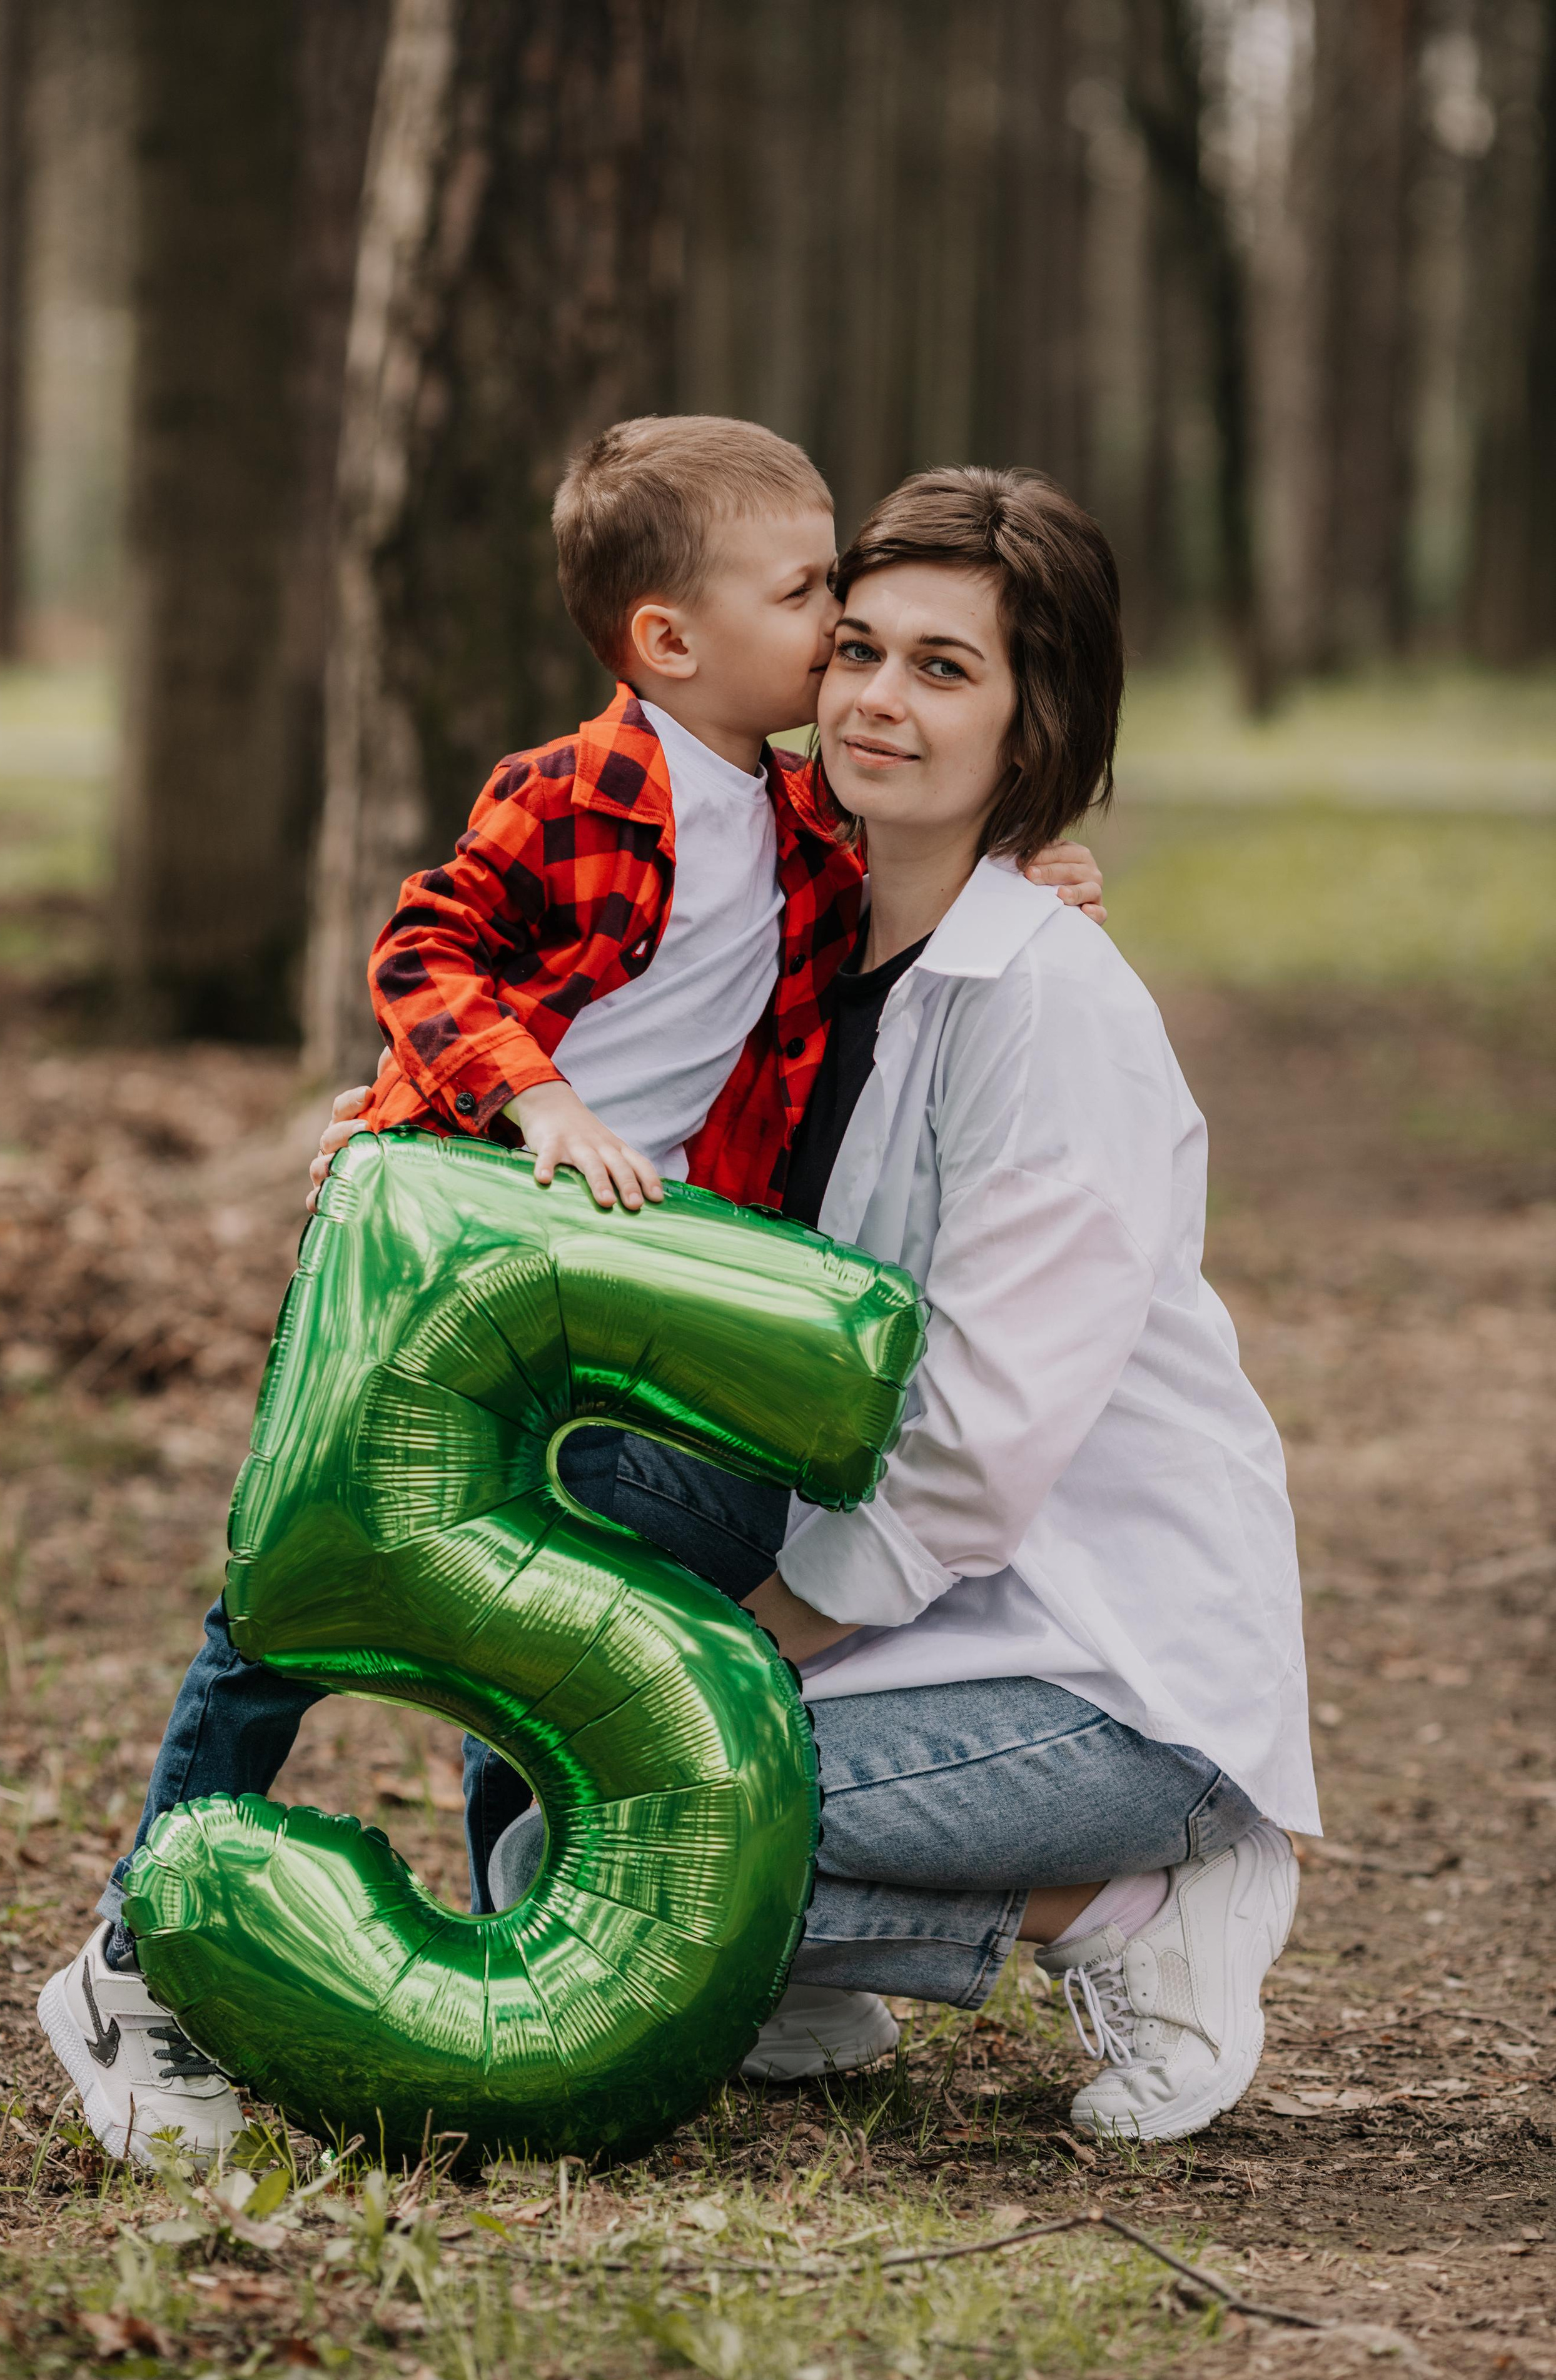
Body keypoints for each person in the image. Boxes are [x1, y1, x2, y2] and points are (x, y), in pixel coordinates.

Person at [38, 418, 1105, 2165]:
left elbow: (882, 927)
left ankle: (509, 1966)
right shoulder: (579, 788)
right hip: (441, 1267)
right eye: (810, 592)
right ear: (669, 640)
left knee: (546, 1629)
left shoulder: (789, 812)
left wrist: (1029, 875)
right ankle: (136, 1950)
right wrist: (525, 1096)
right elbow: (420, 951)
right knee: (289, 1617)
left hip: (598, 1310)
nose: (837, 623)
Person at [488, 465, 1319, 2142]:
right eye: (857, 646)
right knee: (544, 1658)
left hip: (1103, 1665)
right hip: (917, 1601)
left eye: (946, 669)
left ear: (1036, 723)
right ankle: (804, 1966)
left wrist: (732, 1652)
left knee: (577, 1848)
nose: (875, 698)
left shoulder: (1048, 1015)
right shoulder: (802, 944)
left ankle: (1132, 1909)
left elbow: (976, 1449)